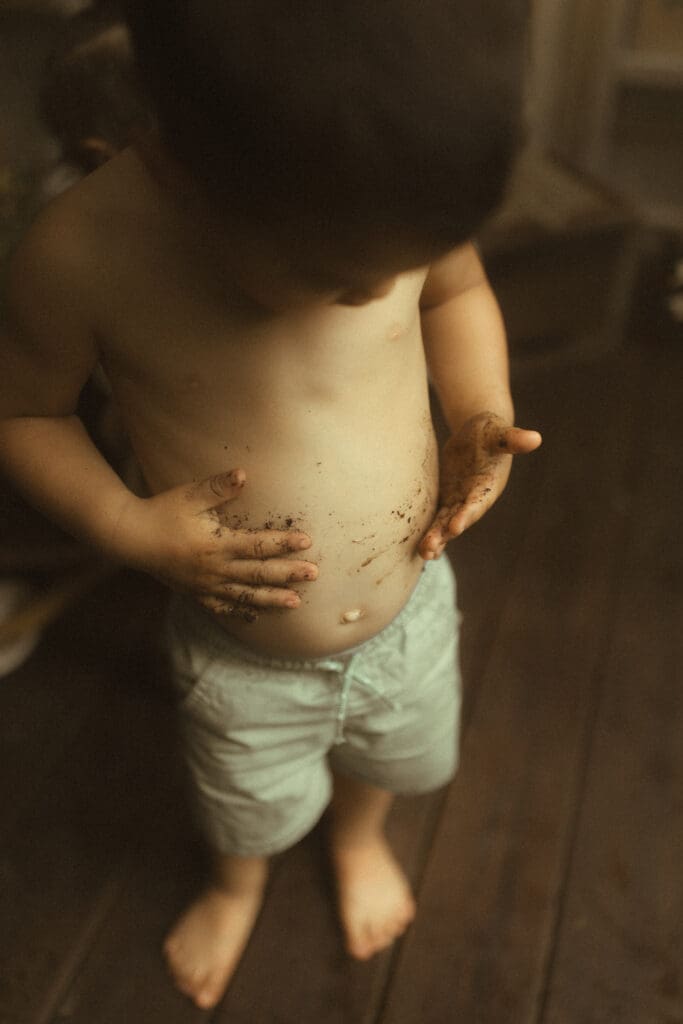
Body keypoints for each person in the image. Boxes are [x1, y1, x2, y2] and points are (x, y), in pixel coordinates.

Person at [0, 0, 542, 1009]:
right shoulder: (81, 254)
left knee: (394, 752)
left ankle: (358, 836)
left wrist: (478, 408)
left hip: (409, 610)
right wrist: (125, 522)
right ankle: (234, 882)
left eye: (390, 270)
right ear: (173, 165)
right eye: (330, 276)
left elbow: (456, 296)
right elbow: (23, 414)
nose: (369, 293)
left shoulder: (378, 201)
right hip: (239, 652)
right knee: (241, 801)